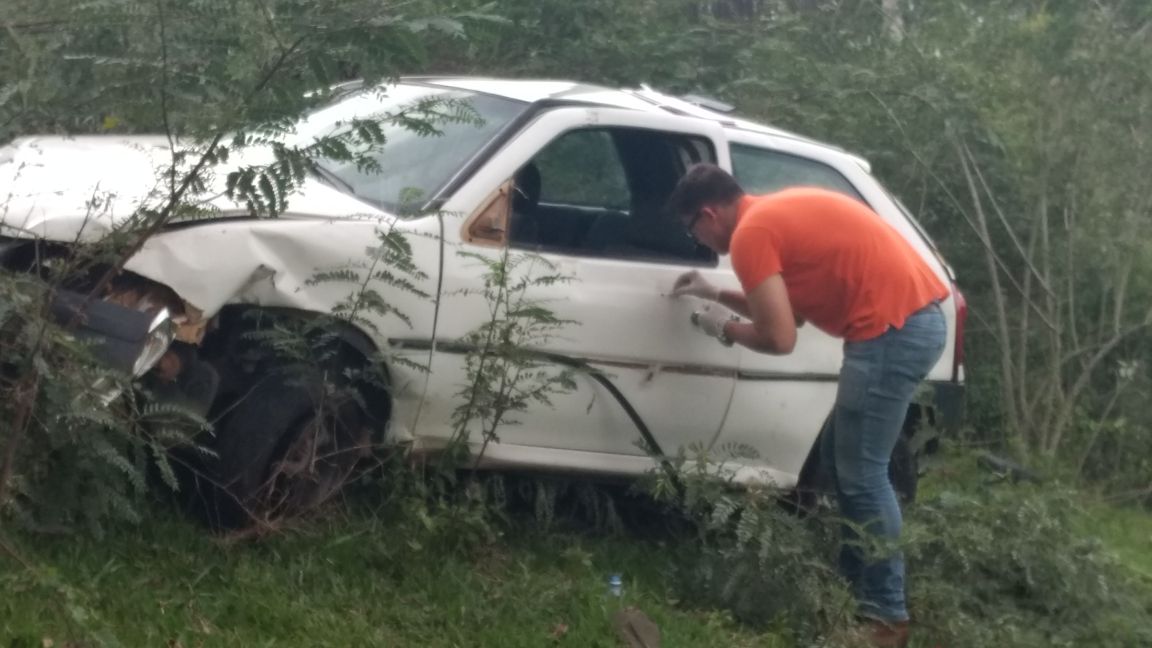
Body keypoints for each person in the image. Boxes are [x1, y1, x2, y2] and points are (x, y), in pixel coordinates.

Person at [666, 163, 948, 647]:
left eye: (693, 229)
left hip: (891, 332)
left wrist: (720, 326)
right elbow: (787, 310)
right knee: (848, 467)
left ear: (709, 214)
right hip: (911, 322)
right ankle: (848, 593)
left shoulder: (752, 235)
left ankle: (885, 620)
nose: (699, 240)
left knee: (863, 474)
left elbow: (779, 338)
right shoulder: (774, 214)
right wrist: (719, 294)